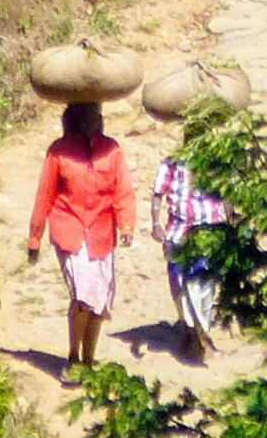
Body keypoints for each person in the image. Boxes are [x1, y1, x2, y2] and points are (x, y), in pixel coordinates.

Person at [26, 100, 135, 371]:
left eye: (96, 117)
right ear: (73, 121)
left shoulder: (111, 150)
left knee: (99, 301)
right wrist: (35, 237)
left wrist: (126, 225)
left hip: (102, 234)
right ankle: (74, 357)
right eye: (86, 117)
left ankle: (88, 359)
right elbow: (44, 194)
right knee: (83, 296)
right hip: (70, 231)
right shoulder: (59, 151)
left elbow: (123, 190)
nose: (93, 122)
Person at [152, 148, 232, 361]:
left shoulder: (218, 159)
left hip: (209, 231)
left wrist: (232, 221)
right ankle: (189, 329)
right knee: (178, 282)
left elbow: (227, 193)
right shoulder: (172, 163)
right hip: (178, 231)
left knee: (204, 282)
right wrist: (156, 223)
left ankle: (200, 330)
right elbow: (158, 193)